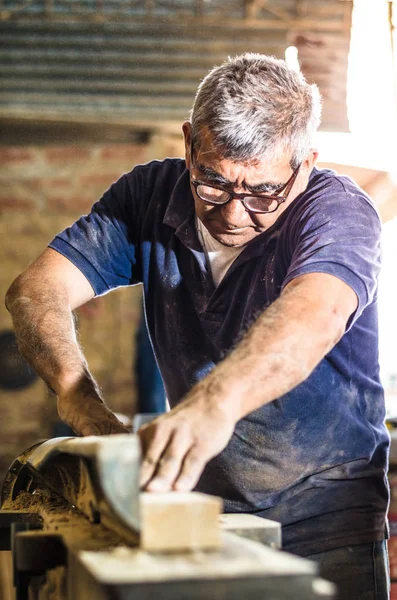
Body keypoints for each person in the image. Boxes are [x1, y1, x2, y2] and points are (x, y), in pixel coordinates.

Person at [6, 54, 389, 598]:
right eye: (212, 182)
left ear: (305, 166)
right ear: (189, 144)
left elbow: (316, 312)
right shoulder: (149, 196)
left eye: (261, 193)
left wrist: (214, 404)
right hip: (200, 513)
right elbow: (35, 291)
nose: (233, 213)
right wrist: (80, 401)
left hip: (328, 521)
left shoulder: (337, 213)